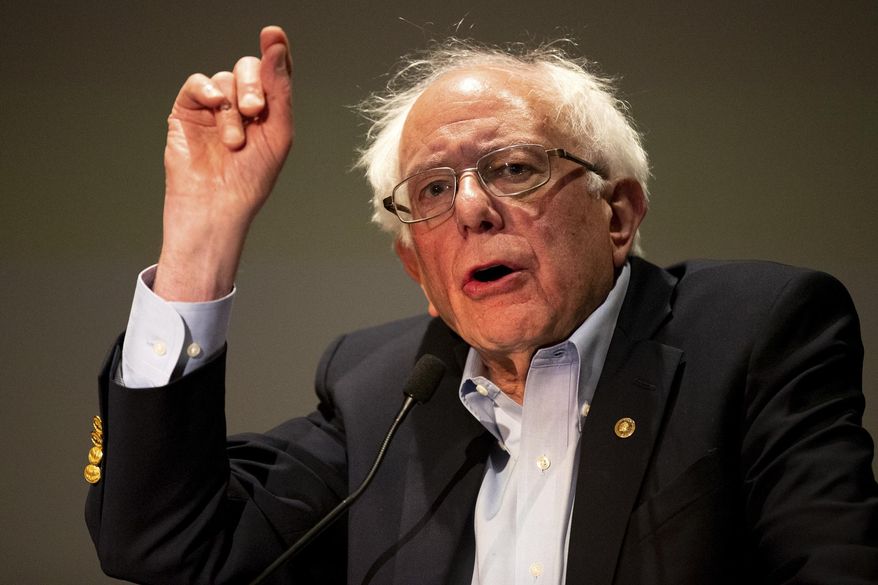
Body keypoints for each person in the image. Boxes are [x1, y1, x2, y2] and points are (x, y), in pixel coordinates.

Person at [85, 25, 878, 584]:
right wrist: (200, 236)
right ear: (415, 269)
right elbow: (167, 545)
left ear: (620, 213)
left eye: (514, 168)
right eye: (432, 188)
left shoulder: (752, 333)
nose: (471, 208)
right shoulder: (380, 389)